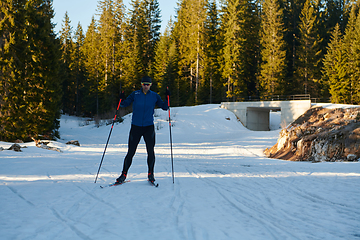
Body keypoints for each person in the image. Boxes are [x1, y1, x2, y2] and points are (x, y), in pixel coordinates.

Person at [116, 76, 169, 184]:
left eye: (148, 84)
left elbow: (165, 107)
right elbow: (123, 104)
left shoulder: (154, 96)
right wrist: (120, 98)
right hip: (136, 127)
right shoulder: (135, 94)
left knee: (150, 151)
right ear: (141, 84)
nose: (146, 86)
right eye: (144, 84)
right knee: (131, 152)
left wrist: (167, 98)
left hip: (148, 127)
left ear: (151, 85)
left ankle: (151, 174)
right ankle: (123, 174)